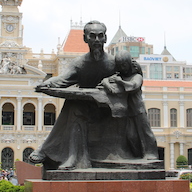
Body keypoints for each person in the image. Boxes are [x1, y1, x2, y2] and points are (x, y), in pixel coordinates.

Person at [30, 21, 139, 170]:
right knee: (73, 105)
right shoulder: (79, 63)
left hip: (110, 110)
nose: (97, 41)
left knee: (75, 106)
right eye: (92, 36)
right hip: (87, 107)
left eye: (100, 36)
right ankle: (73, 157)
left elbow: (133, 76)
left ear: (105, 38)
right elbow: (63, 79)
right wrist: (46, 84)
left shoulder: (114, 62)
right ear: (85, 38)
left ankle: (45, 150)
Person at [99, 50, 158, 160]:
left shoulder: (136, 76)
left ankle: (151, 153)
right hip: (127, 111)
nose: (123, 68)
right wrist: (107, 84)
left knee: (146, 133)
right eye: (120, 66)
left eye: (124, 65)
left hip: (138, 110)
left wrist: (120, 82)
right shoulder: (119, 76)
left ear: (129, 64)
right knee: (131, 136)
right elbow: (105, 80)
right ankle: (137, 155)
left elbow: (133, 86)